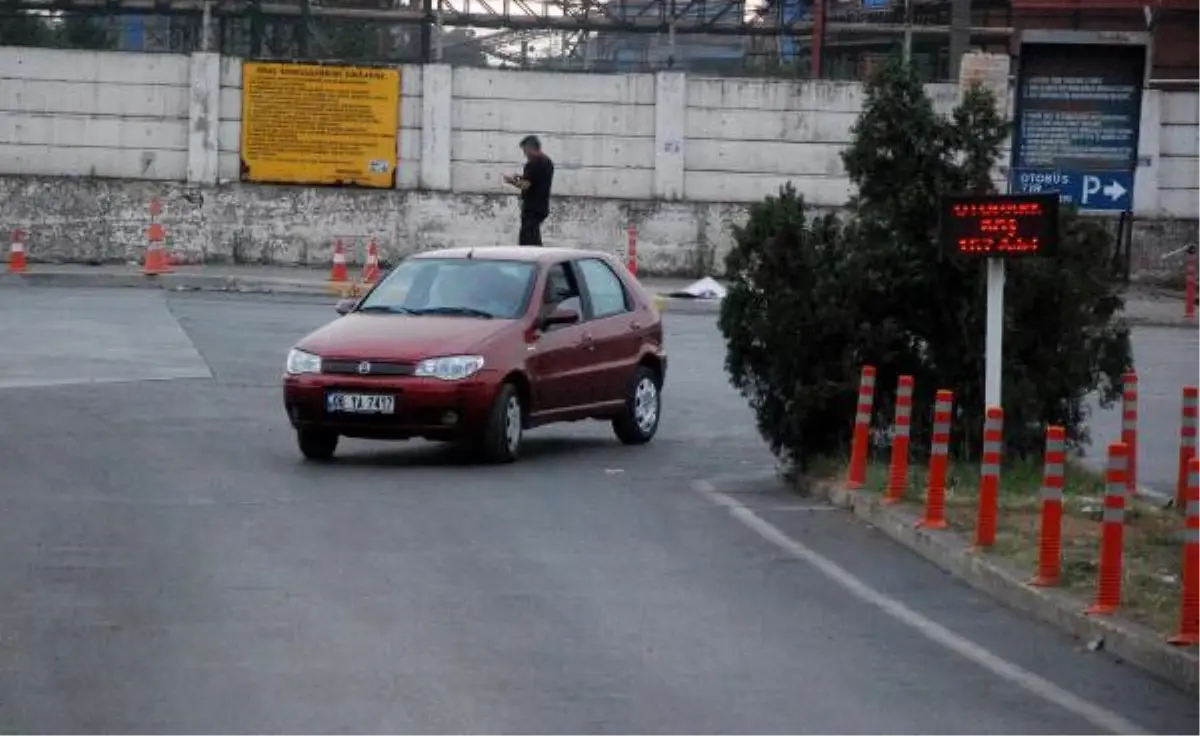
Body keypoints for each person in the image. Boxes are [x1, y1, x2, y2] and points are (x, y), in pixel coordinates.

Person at [503, 135, 554, 246]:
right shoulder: (547, 162)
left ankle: (533, 261)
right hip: (542, 206)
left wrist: (511, 181)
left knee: (527, 241)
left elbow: (526, 185)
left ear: (529, 148)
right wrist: (522, 177)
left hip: (531, 208)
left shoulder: (533, 163)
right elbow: (537, 181)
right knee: (534, 237)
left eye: (524, 150)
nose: (524, 154)